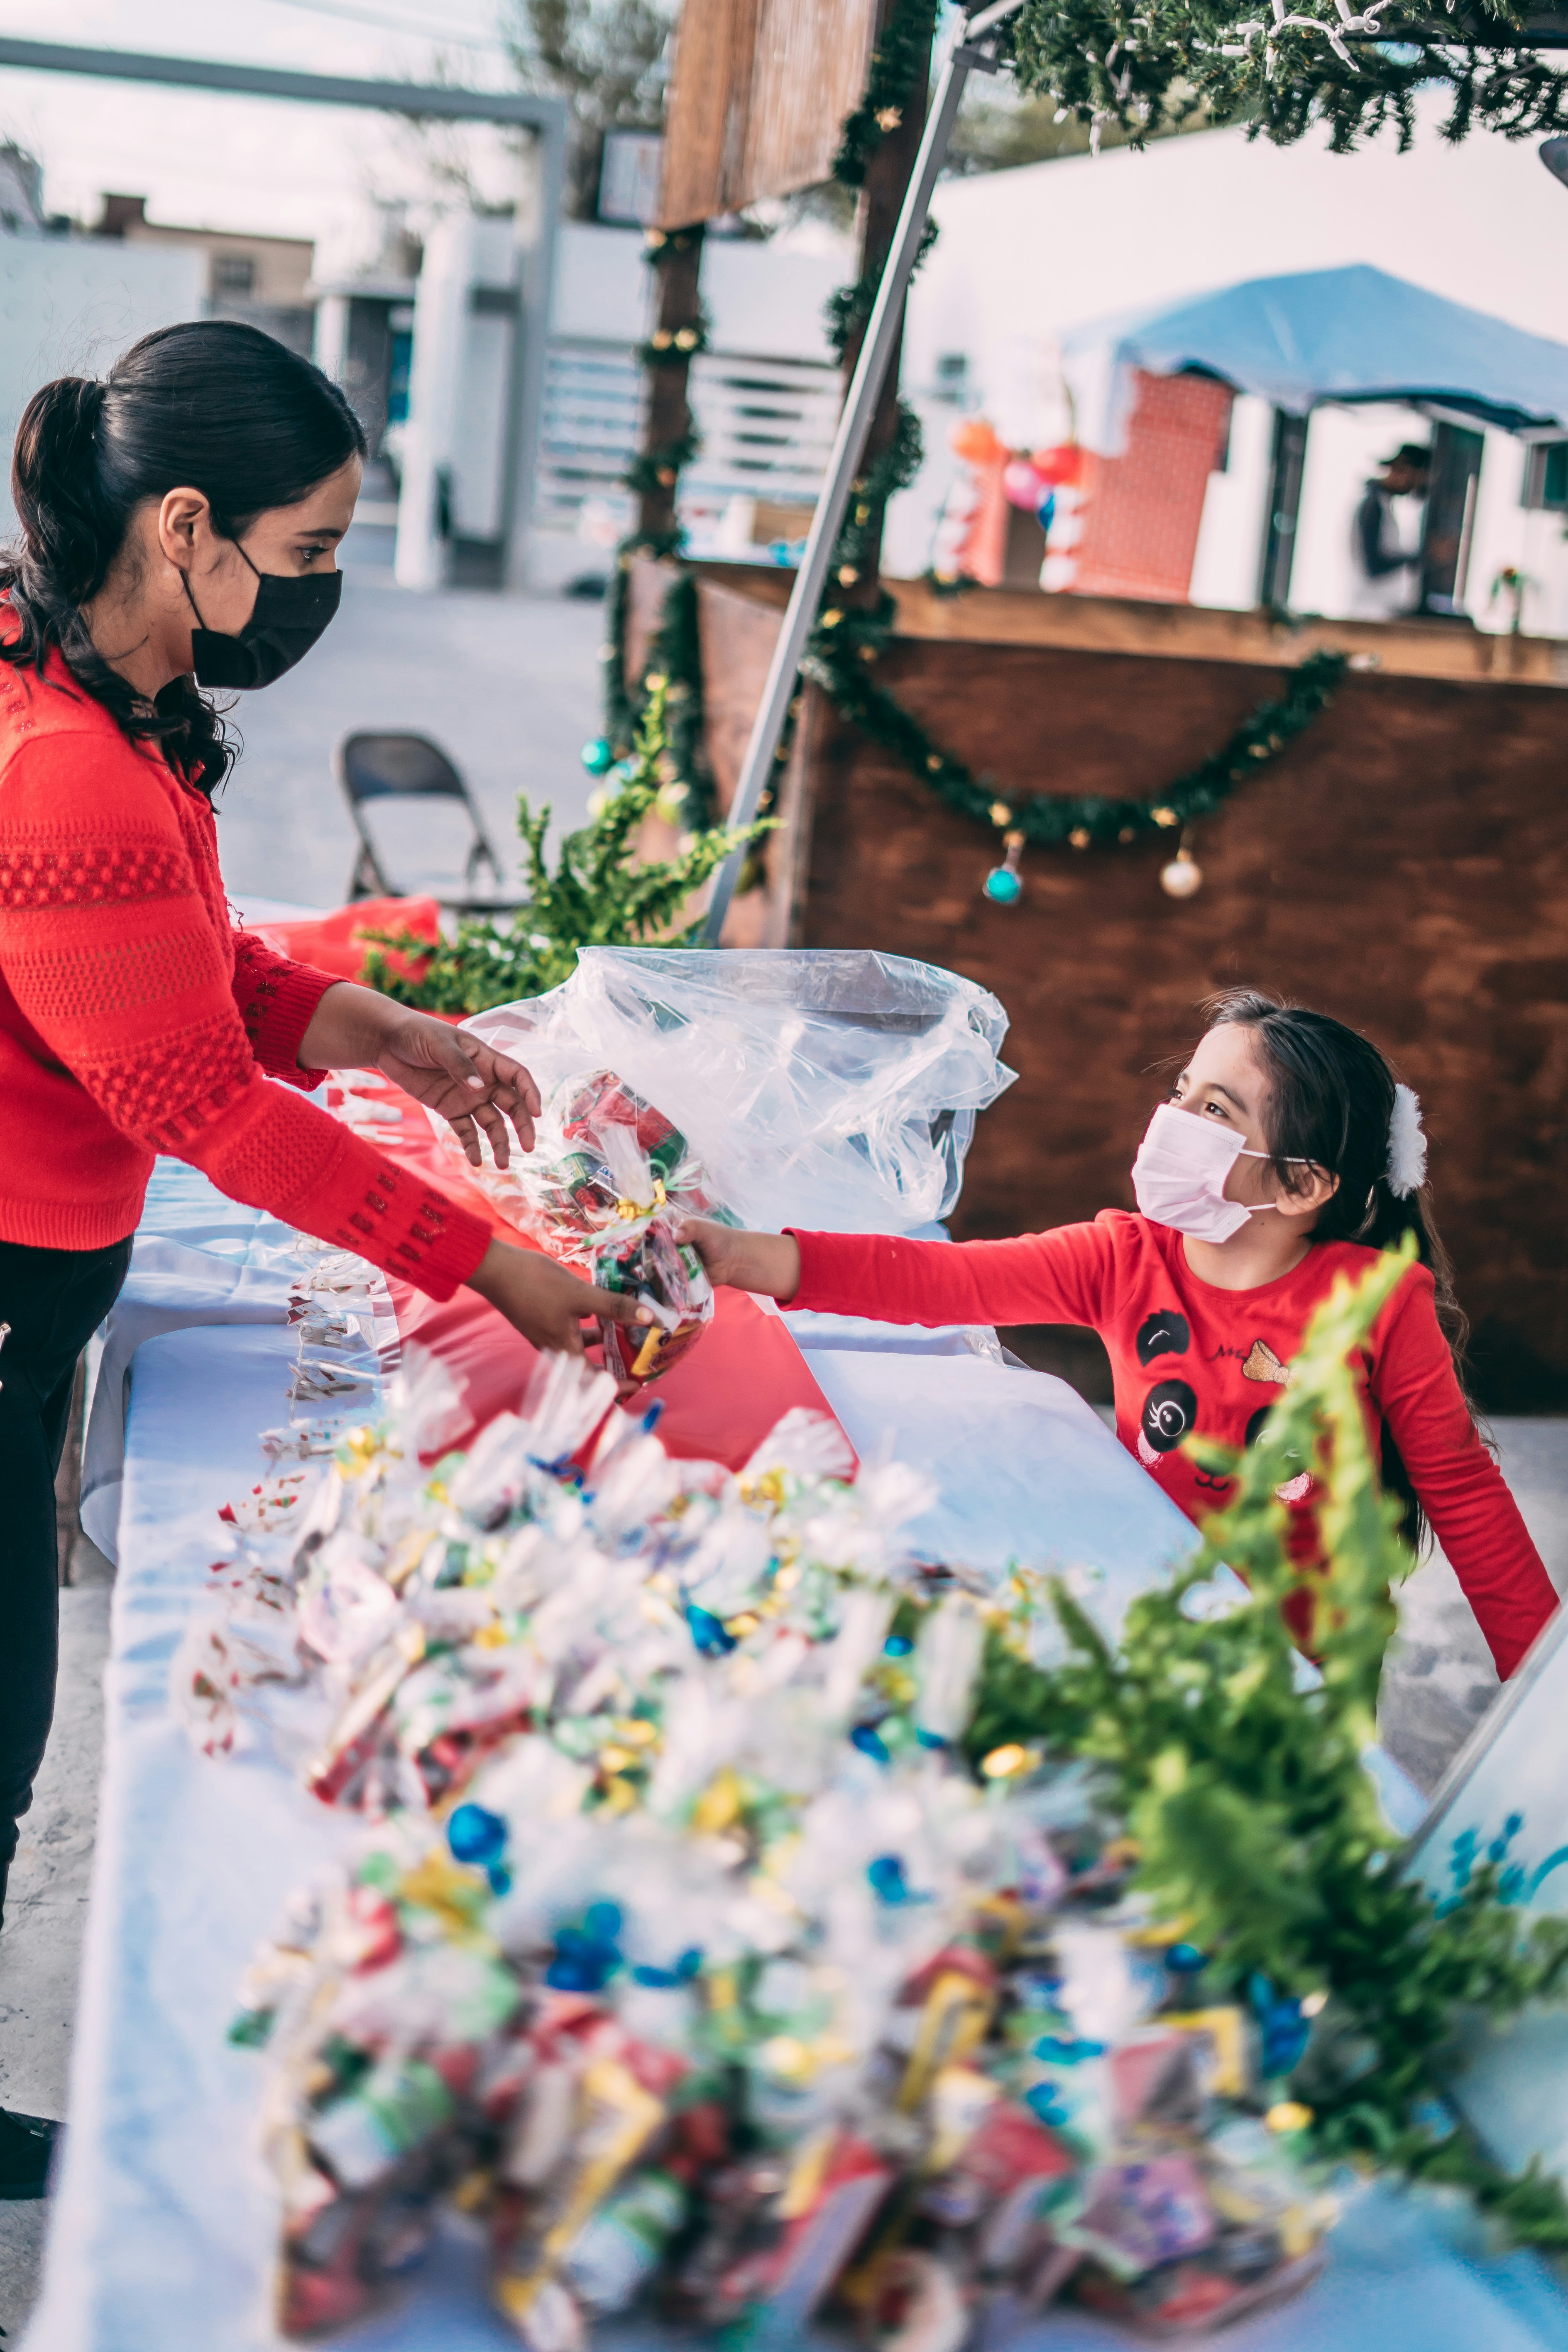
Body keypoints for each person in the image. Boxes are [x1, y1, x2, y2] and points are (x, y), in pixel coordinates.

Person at [0, 323, 647, 2194]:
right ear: (185, 523)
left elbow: (193, 962)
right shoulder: (63, 768)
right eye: (302, 555)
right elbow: (204, 1097)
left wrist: (387, 1033)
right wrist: (493, 1264)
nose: (319, 594)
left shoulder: (102, 693)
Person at [682, 990, 1558, 1683]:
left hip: (1308, 1665)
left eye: (1213, 1110)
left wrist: (1540, 1692)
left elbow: (1463, 1493)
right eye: (1179, 1094)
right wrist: (740, 1255)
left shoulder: (1375, 1302)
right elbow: (936, 1281)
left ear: (1298, 1184)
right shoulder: (1121, 1257)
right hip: (1149, 1614)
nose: (1169, 1121)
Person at [1347, 440, 1429, 621]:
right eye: (1417, 478)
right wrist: (1423, 556)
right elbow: (1373, 567)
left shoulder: (1381, 507)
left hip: (1380, 610)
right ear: (1403, 470)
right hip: (1374, 613)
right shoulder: (1372, 509)